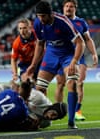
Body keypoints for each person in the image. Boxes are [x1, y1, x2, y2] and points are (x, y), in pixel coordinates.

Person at [25, 1, 85, 129]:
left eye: (43, 16)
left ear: (50, 14)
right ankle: (42, 119)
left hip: (67, 55)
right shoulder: (37, 23)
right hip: (51, 54)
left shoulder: (63, 22)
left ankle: (71, 121)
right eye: (39, 16)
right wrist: (33, 64)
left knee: (72, 84)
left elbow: (80, 43)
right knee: (39, 88)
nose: (41, 19)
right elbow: (40, 44)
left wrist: (74, 61)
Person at [55, 0, 98, 121]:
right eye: (66, 6)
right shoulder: (58, 21)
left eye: (71, 6)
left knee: (79, 82)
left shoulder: (80, 22)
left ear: (75, 8)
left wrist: (94, 53)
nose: (68, 8)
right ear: (63, 8)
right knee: (60, 83)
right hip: (62, 55)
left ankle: (77, 110)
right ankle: (59, 110)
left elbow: (88, 39)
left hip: (79, 56)